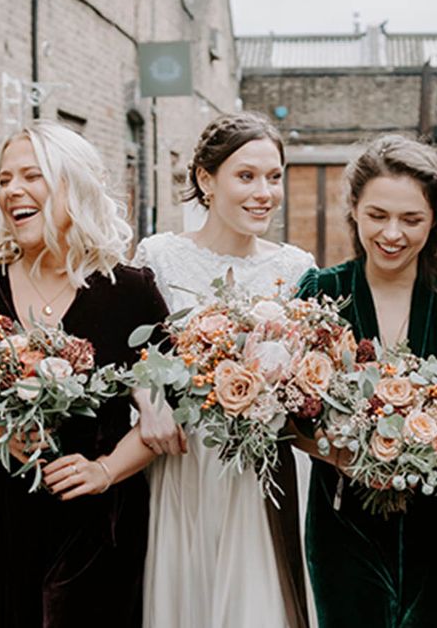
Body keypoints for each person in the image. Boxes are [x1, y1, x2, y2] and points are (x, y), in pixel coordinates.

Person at [0, 120, 167, 627]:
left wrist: (106, 470)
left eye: (31, 175)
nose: (12, 191)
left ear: (73, 184)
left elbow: (167, 408)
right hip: (0, 525)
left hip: (100, 529)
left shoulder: (128, 292)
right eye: (3, 180)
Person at [295, 135, 437, 627]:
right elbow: (286, 415)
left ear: (436, 219)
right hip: (344, 521)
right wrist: (331, 450)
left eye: (412, 219)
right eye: (378, 215)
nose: (392, 233)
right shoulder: (321, 293)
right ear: (353, 210)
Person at [134, 111, 316, 628]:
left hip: (259, 475)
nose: (264, 192)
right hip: (181, 461)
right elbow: (137, 356)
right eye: (246, 176)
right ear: (205, 180)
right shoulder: (159, 257)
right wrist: (148, 403)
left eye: (274, 177)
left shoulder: (296, 269)